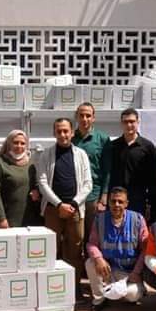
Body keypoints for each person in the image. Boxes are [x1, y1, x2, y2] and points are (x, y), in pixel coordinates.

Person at [37, 118, 92, 300]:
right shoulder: (46, 155)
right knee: (51, 250)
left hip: (75, 210)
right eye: (59, 131)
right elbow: (42, 182)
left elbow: (88, 184)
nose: (62, 135)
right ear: (54, 133)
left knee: (75, 250)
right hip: (53, 209)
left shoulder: (81, 154)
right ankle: (52, 288)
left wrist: (73, 204)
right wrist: (59, 204)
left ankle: (74, 288)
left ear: (72, 132)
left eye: (66, 131)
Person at [85, 187, 148, 311]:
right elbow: (91, 244)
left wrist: (136, 273)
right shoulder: (100, 219)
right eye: (113, 201)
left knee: (133, 295)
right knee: (90, 263)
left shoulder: (137, 219)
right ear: (108, 202)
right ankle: (100, 298)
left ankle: (125, 291)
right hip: (108, 269)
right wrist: (99, 258)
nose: (116, 205)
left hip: (129, 273)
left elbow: (145, 249)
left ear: (126, 203)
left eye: (120, 201)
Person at [72, 102, 111, 250]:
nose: (84, 119)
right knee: (75, 236)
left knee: (92, 235)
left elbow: (107, 170)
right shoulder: (70, 138)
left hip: (93, 196)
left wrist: (104, 197)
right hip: (74, 195)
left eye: (88, 115)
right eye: (81, 115)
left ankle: (91, 263)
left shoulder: (102, 139)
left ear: (93, 118)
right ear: (76, 117)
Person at [108, 108, 156, 216]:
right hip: (117, 200)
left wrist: (149, 202)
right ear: (121, 124)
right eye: (125, 122)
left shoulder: (147, 146)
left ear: (138, 122)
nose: (129, 125)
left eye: (132, 121)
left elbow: (152, 177)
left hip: (138, 199)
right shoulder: (113, 146)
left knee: (136, 226)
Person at [0, 129, 40, 228]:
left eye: (22, 143)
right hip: (7, 219)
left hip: (28, 219)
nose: (19, 146)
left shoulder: (31, 164)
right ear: (9, 144)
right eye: (15, 142)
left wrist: (37, 192)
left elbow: (36, 185)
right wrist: (1, 218)